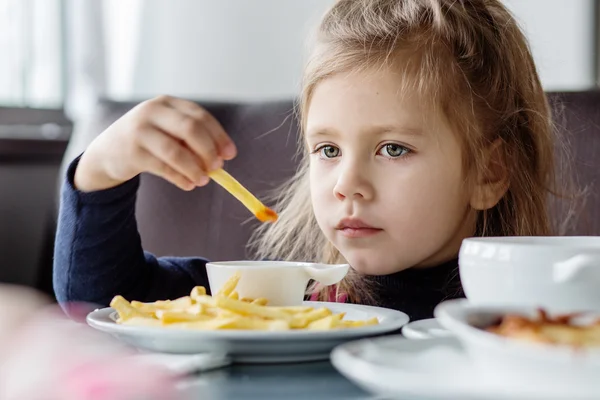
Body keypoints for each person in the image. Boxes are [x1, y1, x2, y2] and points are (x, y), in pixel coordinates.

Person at [53, 0, 570, 321]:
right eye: (328, 149)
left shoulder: (535, 321)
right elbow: (102, 300)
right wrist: (101, 172)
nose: (348, 184)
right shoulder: (283, 300)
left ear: (489, 172)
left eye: (393, 148)